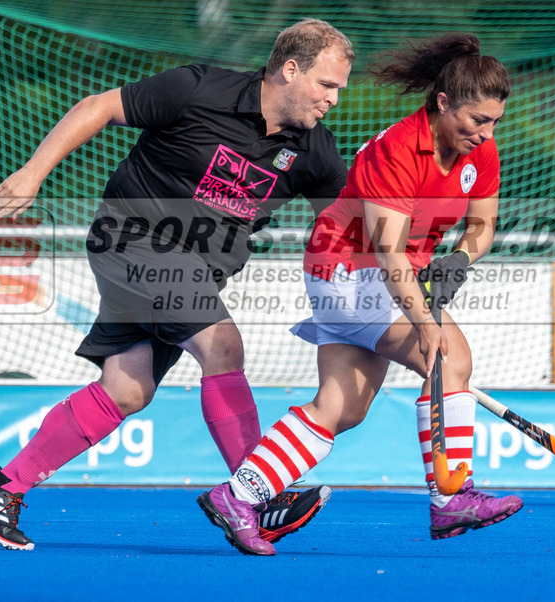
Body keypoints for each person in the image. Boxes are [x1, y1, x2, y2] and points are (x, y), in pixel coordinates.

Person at [0, 19, 355, 550]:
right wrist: (34, 173)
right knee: (223, 345)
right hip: (131, 236)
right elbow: (98, 107)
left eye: (339, 89)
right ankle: (255, 494)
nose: (334, 99)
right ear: (290, 69)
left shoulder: (315, 152)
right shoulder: (198, 89)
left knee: (128, 390)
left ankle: (2, 486)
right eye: (327, 85)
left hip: (195, 270)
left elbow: (345, 222)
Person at [196, 32, 522, 556]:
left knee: (342, 408)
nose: (485, 133)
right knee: (450, 356)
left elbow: (483, 223)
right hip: (348, 269)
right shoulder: (396, 150)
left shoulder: (479, 154)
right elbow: (390, 255)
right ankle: (450, 497)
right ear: (443, 104)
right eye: (477, 120)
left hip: (381, 276)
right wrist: (425, 322)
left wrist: (462, 257)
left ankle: (239, 495)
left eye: (493, 122)